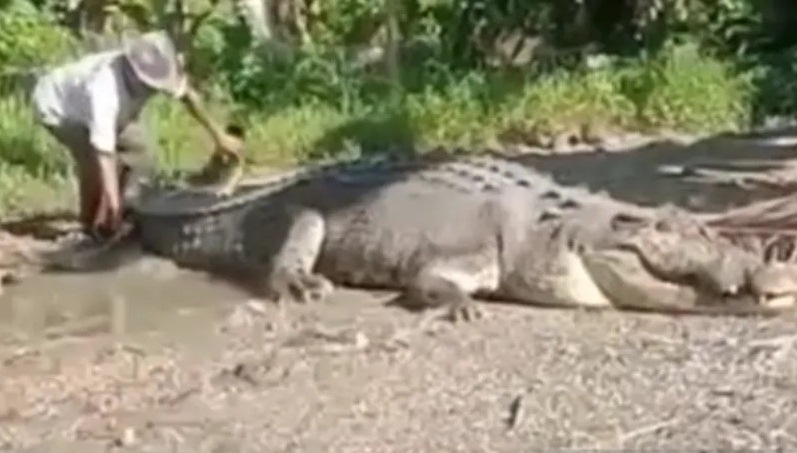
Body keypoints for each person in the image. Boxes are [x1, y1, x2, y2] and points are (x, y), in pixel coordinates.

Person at [31, 30, 242, 240]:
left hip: (97, 106)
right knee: (92, 165)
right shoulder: (104, 91)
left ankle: (129, 210)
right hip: (58, 109)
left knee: (140, 152)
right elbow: (103, 153)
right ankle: (91, 227)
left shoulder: (158, 67)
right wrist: (113, 201)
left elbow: (187, 96)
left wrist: (219, 136)